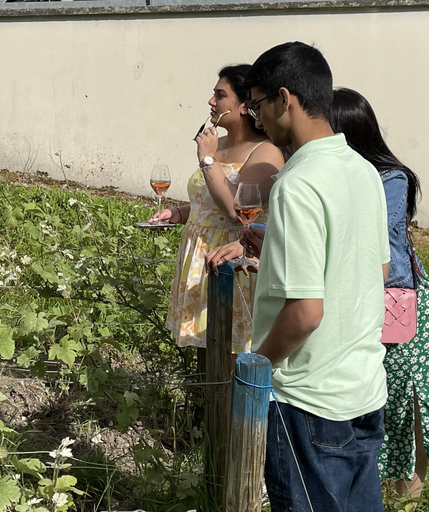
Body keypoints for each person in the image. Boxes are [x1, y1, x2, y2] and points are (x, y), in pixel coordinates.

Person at [246, 42, 389, 512]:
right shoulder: (364, 171)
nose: (257, 119)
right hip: (364, 388)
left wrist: (254, 370)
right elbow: (375, 269)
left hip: (308, 402)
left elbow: (305, 312)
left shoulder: (298, 183)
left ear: (284, 99)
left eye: (258, 105)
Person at [328, 88, 426, 497]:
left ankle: (409, 490)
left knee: (405, 397)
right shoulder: (338, 173)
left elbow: (378, 247)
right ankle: (380, 485)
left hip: (395, 302)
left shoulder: (391, 178)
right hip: (358, 299)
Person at [149, 65, 283, 353]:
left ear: (245, 106)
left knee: (229, 351)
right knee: (205, 351)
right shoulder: (216, 144)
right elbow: (210, 199)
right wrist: (181, 213)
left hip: (230, 261)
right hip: (197, 256)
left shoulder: (265, 151)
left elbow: (237, 210)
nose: (211, 102)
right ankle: (205, 399)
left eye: (220, 95)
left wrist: (208, 161)